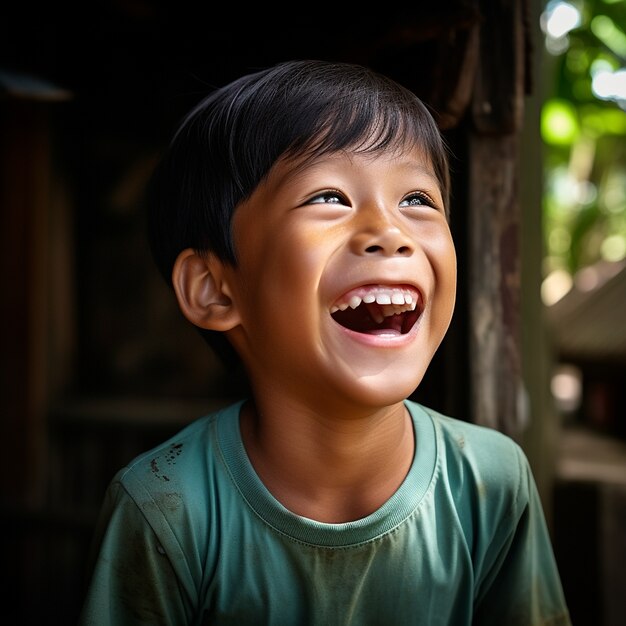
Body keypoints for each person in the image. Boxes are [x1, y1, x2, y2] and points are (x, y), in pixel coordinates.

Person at [79, 59, 571, 625]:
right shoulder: (165, 507)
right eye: (330, 197)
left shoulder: (492, 483)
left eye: (418, 200)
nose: (389, 232)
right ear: (215, 289)